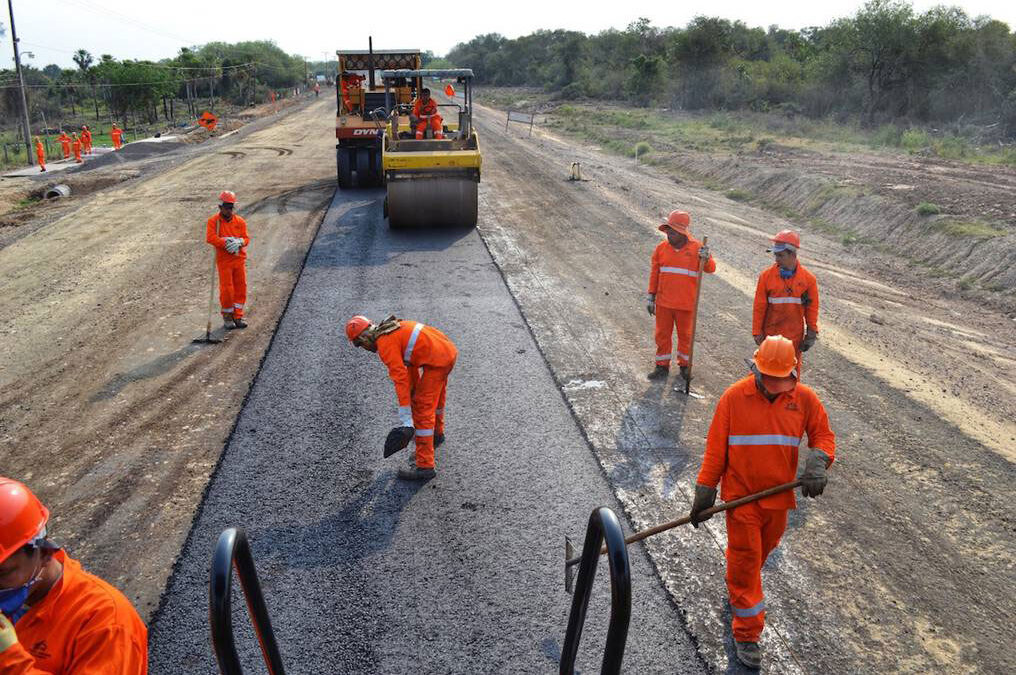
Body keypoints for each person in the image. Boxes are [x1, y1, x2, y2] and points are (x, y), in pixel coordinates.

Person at [689, 336, 835, 669]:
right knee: (746, 559)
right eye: (767, 380)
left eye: (778, 381)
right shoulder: (733, 398)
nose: (773, 388)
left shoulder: (804, 400)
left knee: (756, 556)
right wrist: (705, 490)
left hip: (777, 499)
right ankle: (747, 633)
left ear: (792, 375)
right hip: (740, 499)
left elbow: (824, 436)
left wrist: (819, 460)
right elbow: (716, 451)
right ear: (756, 370)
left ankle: (738, 581)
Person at [0, 476, 148, 673]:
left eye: (2, 572)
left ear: (44, 553)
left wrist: (10, 661)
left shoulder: (105, 622)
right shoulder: (19, 595)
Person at [346, 315, 457, 480]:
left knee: (422, 409)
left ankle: (425, 466)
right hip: (446, 351)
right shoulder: (391, 328)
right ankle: (437, 434)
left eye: (360, 344)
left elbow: (400, 379)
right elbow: (409, 363)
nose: (364, 348)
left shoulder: (385, 344)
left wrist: (406, 417)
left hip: (438, 361)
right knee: (436, 398)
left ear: (363, 337)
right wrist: (414, 391)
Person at [647, 210, 715, 382]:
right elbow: (654, 274)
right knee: (662, 335)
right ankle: (661, 366)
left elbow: (711, 269)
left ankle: (685, 367)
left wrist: (706, 258)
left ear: (683, 232)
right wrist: (650, 297)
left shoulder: (698, 248)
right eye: (668, 230)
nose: (669, 234)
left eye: (673, 231)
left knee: (686, 336)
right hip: (664, 303)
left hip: (686, 304)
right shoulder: (661, 249)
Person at [752, 230, 820, 374]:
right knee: (764, 371)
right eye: (775, 255)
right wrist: (757, 331)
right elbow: (759, 306)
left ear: (792, 255)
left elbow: (812, 308)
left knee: (790, 374)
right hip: (770, 336)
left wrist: (812, 332)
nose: (776, 259)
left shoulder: (808, 280)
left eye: (780, 255)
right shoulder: (766, 277)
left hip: (794, 338)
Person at [205, 191, 250, 329]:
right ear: (220, 207)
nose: (229, 210)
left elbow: (246, 238)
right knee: (227, 290)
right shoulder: (214, 221)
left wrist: (240, 242)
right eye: (226, 207)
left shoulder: (240, 221)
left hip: (238, 260)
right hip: (224, 261)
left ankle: (238, 316)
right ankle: (227, 317)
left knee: (241, 288)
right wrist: (225, 242)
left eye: (231, 207)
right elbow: (210, 238)